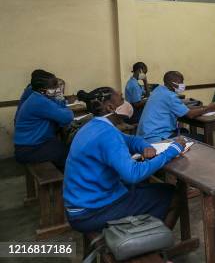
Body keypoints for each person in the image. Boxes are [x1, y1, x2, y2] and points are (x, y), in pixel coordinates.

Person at [63, 87, 187, 233]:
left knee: (148, 188)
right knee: (174, 195)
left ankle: (146, 237)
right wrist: (172, 151)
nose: (125, 102)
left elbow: (130, 140)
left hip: (83, 201)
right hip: (91, 212)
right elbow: (133, 174)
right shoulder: (107, 134)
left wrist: (144, 146)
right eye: (121, 99)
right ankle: (153, 245)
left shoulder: (94, 125)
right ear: (110, 107)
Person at [13, 71, 73, 169]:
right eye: (53, 86)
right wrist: (61, 100)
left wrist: (60, 102)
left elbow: (60, 111)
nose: (57, 88)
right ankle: (64, 181)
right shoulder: (39, 101)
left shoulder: (39, 96)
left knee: (63, 148)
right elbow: (67, 117)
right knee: (69, 154)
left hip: (36, 143)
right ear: (42, 90)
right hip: (29, 149)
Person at [137, 71, 215, 143]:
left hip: (144, 135)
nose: (183, 84)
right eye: (181, 82)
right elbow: (190, 114)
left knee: (184, 131)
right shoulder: (170, 96)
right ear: (173, 83)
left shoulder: (159, 90)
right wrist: (209, 109)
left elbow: (183, 108)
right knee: (204, 138)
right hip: (157, 138)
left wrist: (204, 107)